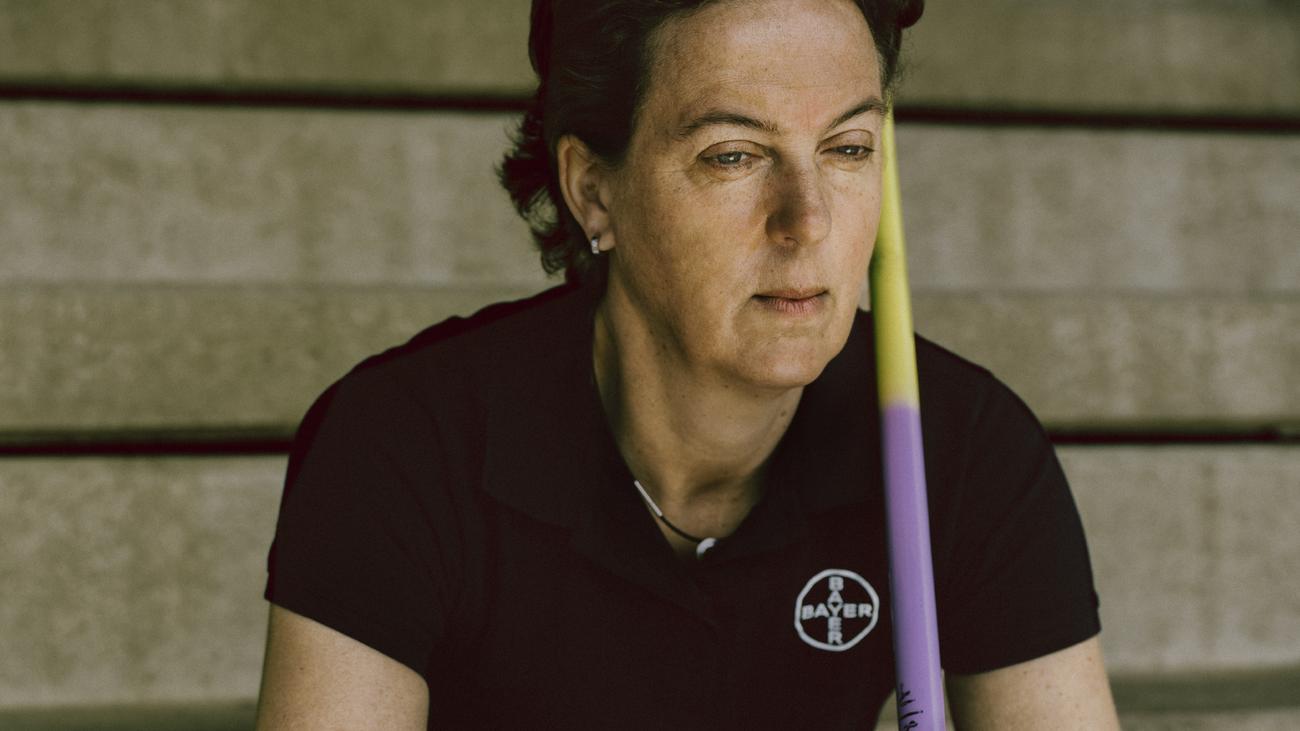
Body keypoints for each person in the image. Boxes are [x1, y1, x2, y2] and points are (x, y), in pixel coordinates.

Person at [255, 0, 1121, 728]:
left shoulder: (962, 448)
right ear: (593, 191)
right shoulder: (407, 444)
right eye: (733, 155)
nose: (808, 220)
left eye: (848, 148)